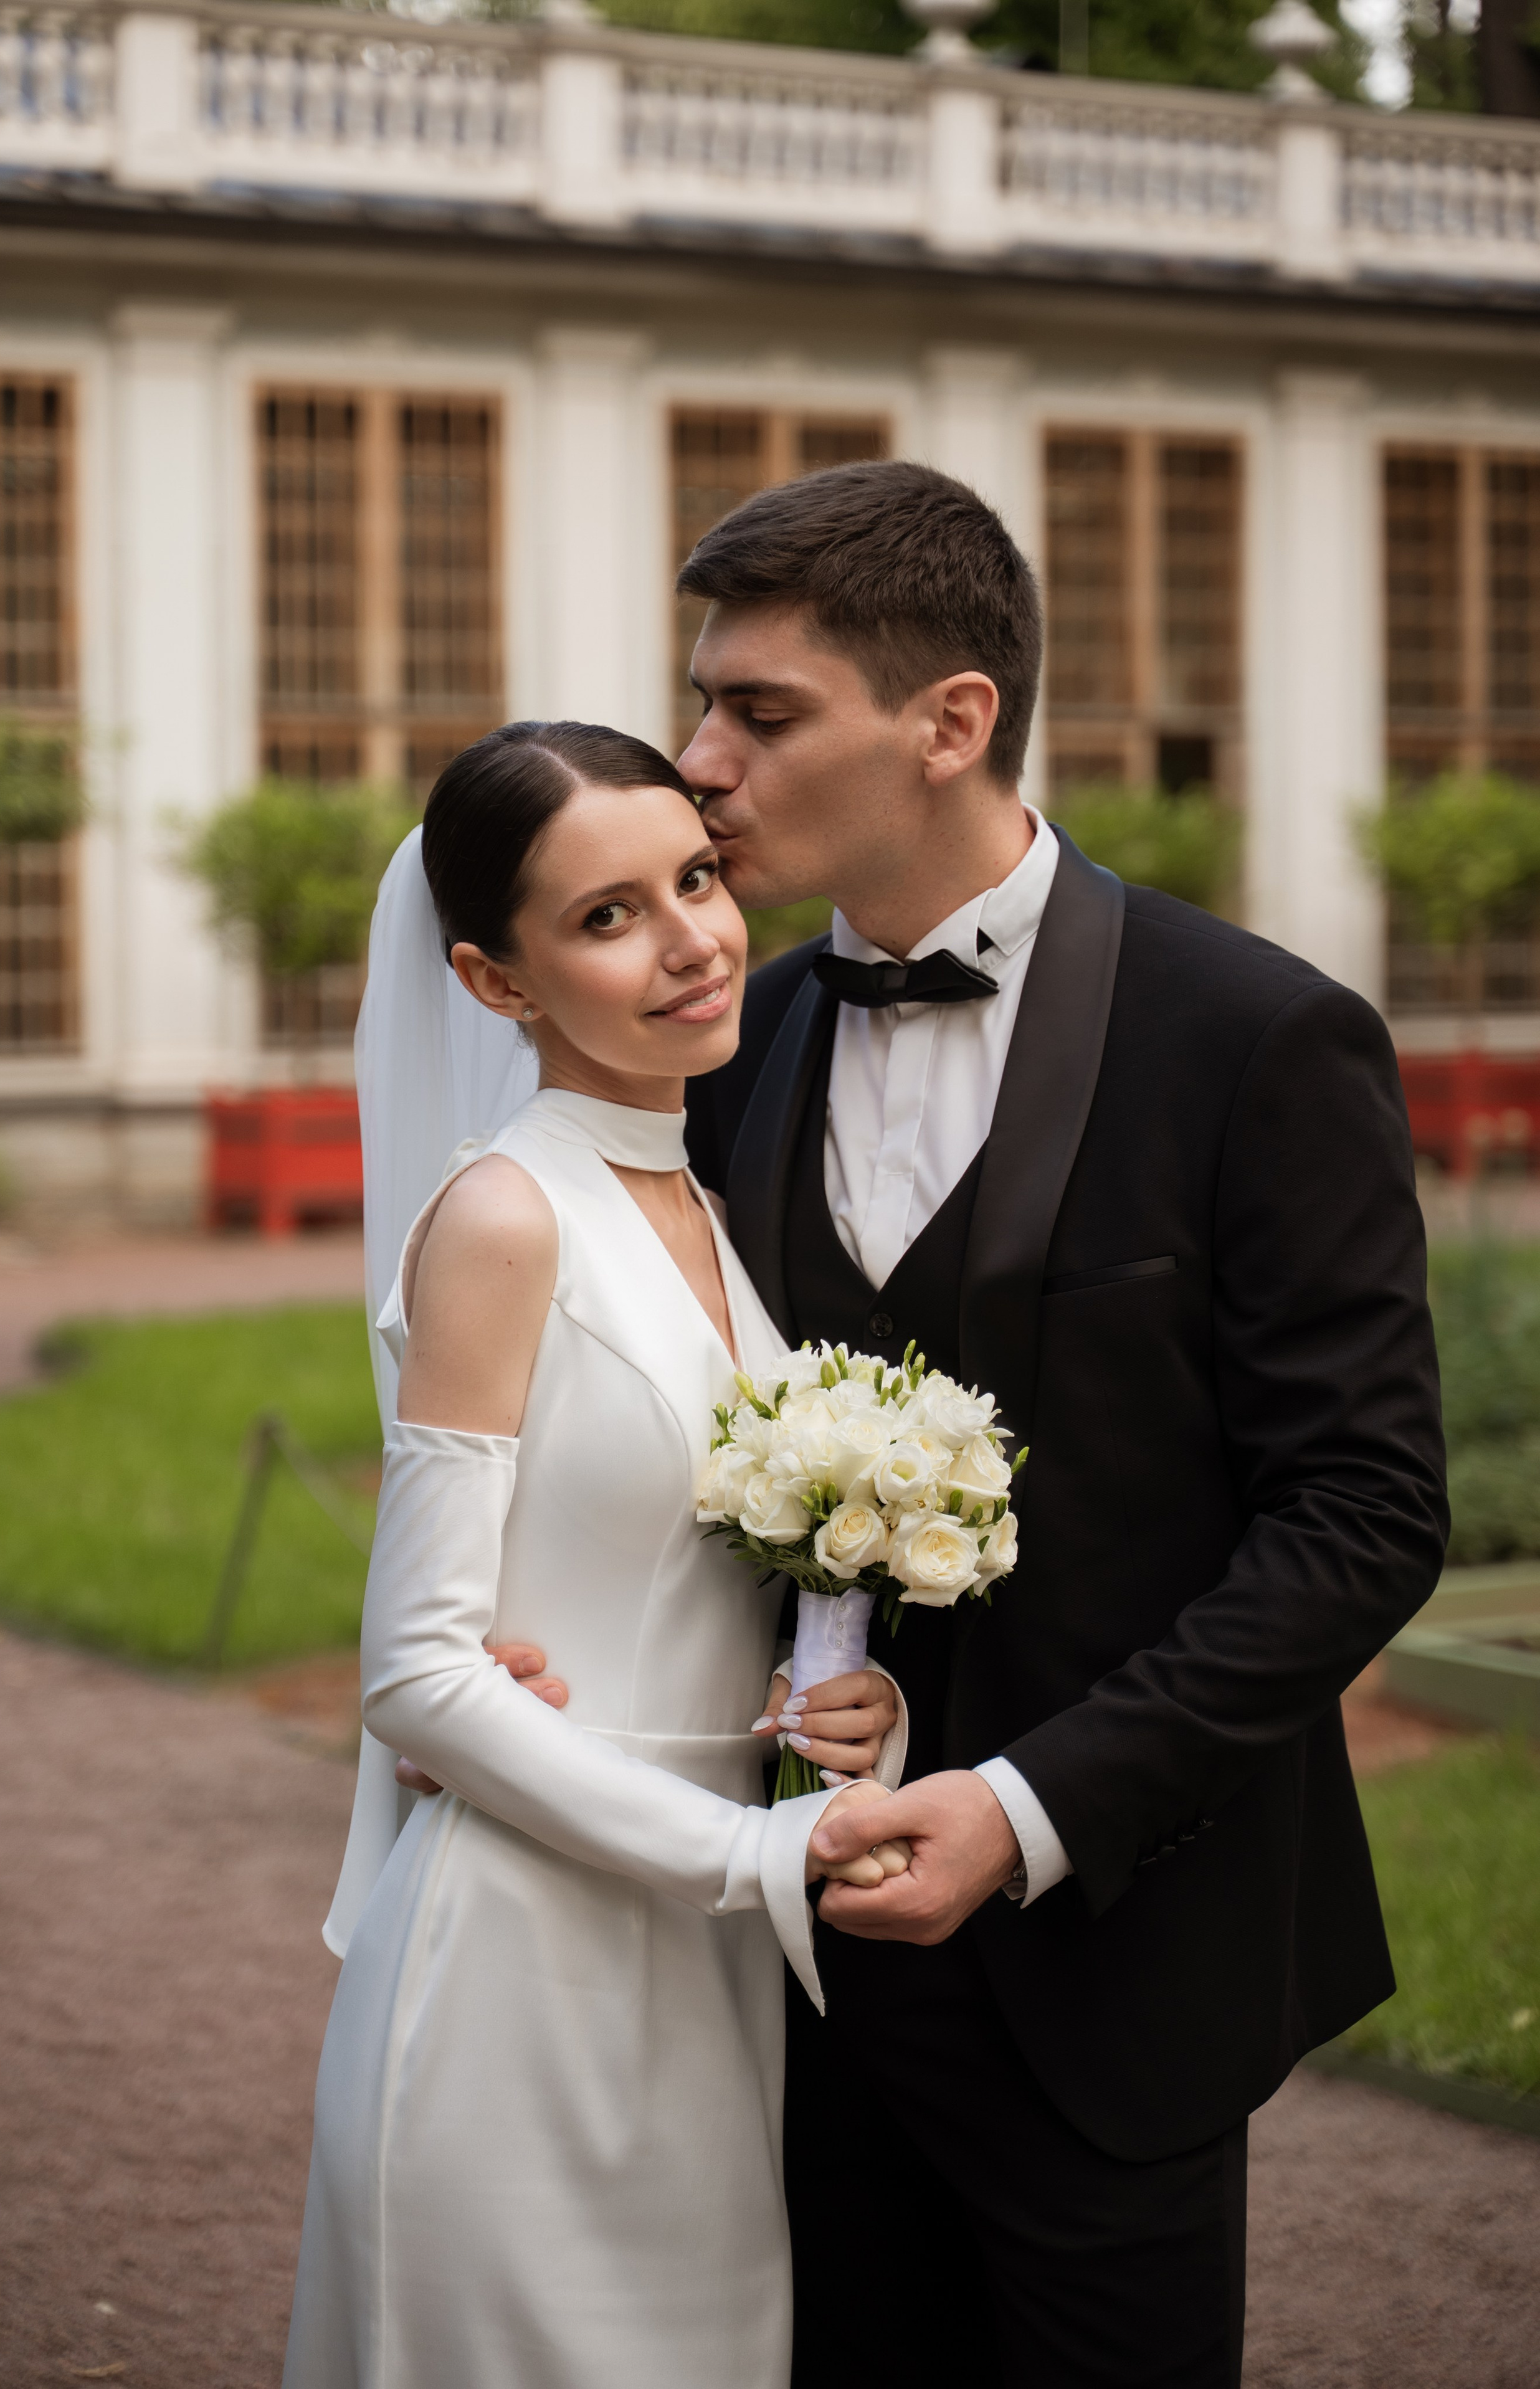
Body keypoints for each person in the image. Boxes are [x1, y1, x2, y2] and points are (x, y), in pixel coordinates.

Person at [667, 460, 1449, 2386]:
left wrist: (1026, 1812)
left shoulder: (1258, 1037)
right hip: (790, 1965)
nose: (701, 764)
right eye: (701, 706)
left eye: (761, 713)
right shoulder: (733, 1045)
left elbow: (1360, 1510)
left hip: (1122, 1957)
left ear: (951, 722)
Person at [282, 721, 908, 2389]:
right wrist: (752, 1854)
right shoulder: (507, 1216)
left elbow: (690, 1583)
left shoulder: (709, 1211)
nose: (691, 939)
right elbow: (420, 1674)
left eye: (694, 879)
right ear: (497, 982)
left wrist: (842, 1709)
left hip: (707, 1972)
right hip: (523, 1963)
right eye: (609, 916)